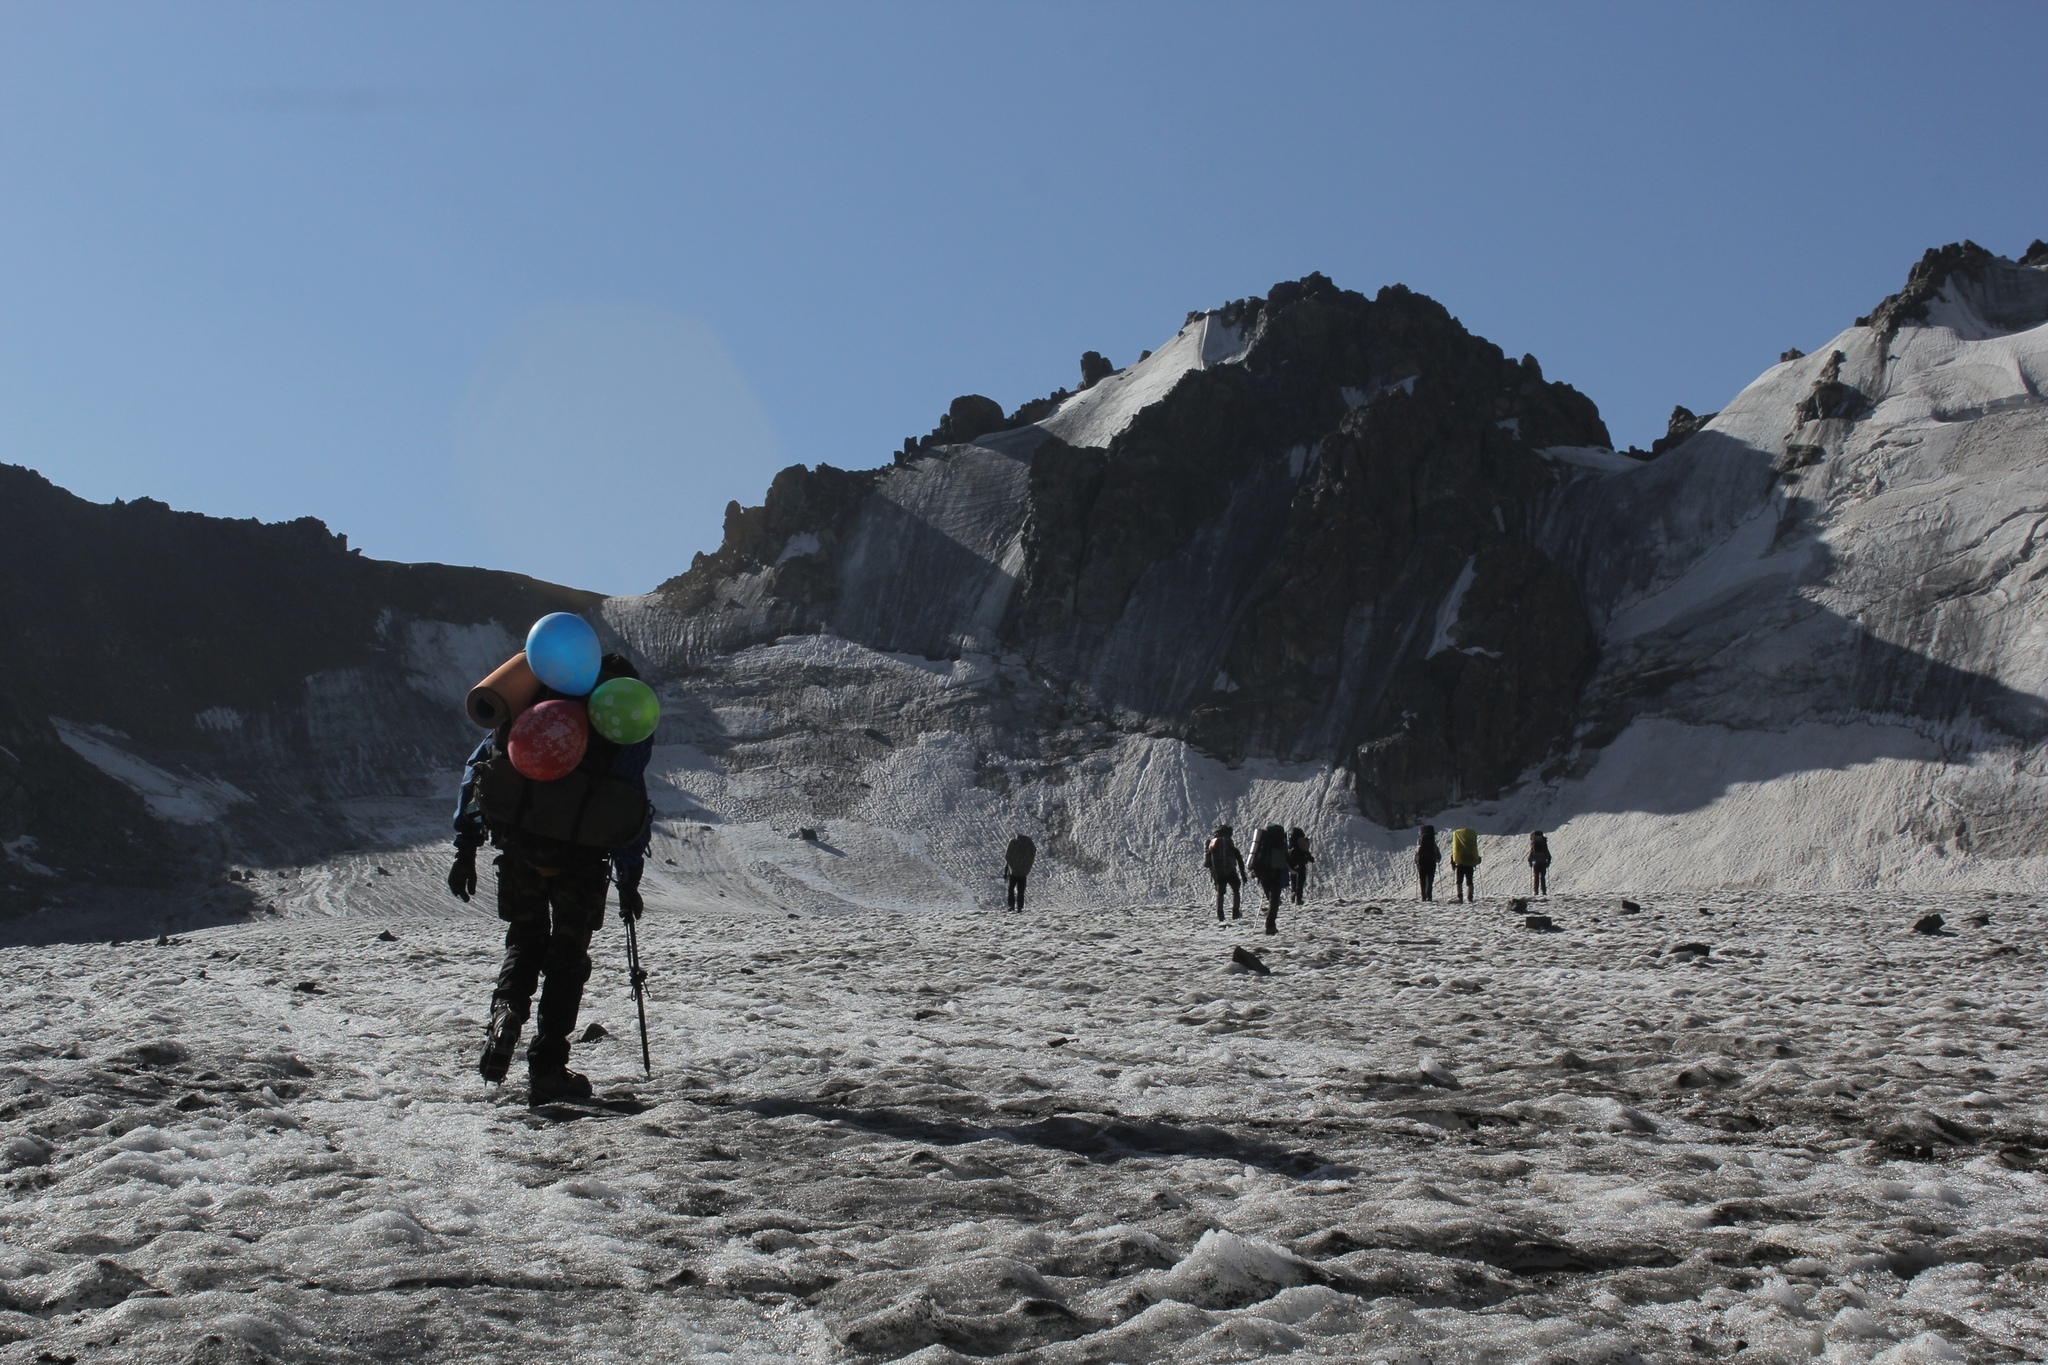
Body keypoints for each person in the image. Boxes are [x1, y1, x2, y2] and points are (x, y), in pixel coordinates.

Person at [449, 653, 653, 1106]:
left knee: (524, 940)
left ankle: (505, 1016)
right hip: (580, 864)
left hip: (522, 850)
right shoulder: (617, 728)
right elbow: (628, 805)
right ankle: (548, 1068)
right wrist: (629, 879)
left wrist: (467, 849)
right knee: (567, 961)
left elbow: (479, 770)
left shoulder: (537, 705)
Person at [1248, 823, 1291, 935]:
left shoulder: (1263, 843)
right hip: (1274, 876)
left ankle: (1270, 924)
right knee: (1274, 901)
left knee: (1272, 900)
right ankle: (1270, 926)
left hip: (1262, 875)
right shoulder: (1279, 844)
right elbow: (1283, 861)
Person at [1204, 825, 1245, 920]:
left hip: (1218, 872)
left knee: (1220, 893)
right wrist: (1243, 874)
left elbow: (1207, 863)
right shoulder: (1230, 845)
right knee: (1236, 891)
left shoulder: (1213, 845)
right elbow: (1239, 859)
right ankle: (1235, 913)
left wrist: (1213, 871)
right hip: (1231, 871)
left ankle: (1220, 915)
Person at [1004, 833, 1037, 911]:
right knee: (1021, 890)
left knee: (1011, 889)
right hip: (1023, 872)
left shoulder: (1013, 842)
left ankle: (1011, 906)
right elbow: (1033, 853)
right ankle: (1020, 907)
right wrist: (1027, 867)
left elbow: (1007, 856)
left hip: (1013, 871)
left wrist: (1011, 867)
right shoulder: (1029, 844)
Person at [1450, 826, 1481, 903]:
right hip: (1469, 865)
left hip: (1460, 865)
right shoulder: (1470, 847)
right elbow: (1475, 854)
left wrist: (1453, 863)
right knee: (1469, 881)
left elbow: (1454, 854)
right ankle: (1470, 896)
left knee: (1459, 881)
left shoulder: (1459, 847)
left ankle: (1460, 897)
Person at [1287, 827, 1314, 905]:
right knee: (1300, 881)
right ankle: (1298, 898)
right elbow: (1306, 852)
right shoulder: (1302, 842)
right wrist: (1310, 858)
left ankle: (1293, 894)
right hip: (1301, 864)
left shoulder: (1291, 842)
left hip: (1292, 865)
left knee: (1294, 880)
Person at [1415, 826, 1441, 901]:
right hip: (1431, 863)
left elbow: (1417, 853)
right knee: (1429, 880)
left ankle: (1423, 896)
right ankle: (1429, 896)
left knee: (1422, 880)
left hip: (1421, 864)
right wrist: (1437, 859)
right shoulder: (1433, 843)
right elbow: (1438, 855)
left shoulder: (1419, 843)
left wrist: (1416, 861)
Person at [1527, 830, 1551, 896]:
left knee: (1536, 877)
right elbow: (1547, 853)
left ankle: (1536, 891)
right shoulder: (1543, 843)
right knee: (1542, 877)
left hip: (1536, 863)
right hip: (1543, 862)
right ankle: (1544, 891)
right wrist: (1548, 861)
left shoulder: (1533, 843)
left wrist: (1530, 861)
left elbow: (1531, 853)